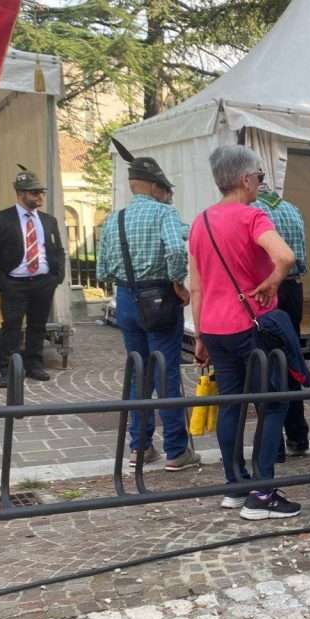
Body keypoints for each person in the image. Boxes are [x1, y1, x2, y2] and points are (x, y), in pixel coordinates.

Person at [188, 144, 300, 521]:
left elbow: (196, 286)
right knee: (273, 404)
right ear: (245, 179)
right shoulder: (253, 217)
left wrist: (200, 336)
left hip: (214, 327)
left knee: (231, 404)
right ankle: (262, 492)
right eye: (259, 176)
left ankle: (235, 486)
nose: (261, 182)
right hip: (250, 325)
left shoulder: (201, 221)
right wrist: (274, 280)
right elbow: (286, 256)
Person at [96, 149, 198, 471]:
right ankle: (176, 450)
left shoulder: (115, 219)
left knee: (138, 370)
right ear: (155, 186)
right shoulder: (164, 214)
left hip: (126, 300)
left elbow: (102, 268)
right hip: (160, 298)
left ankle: (139, 447)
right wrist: (178, 283)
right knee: (166, 371)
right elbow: (176, 250)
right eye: (165, 190)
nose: (167, 196)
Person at [0, 167, 66, 387]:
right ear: (20, 194)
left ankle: (34, 365)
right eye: (34, 192)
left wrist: (57, 276)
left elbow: (58, 249)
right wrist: (1, 280)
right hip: (14, 283)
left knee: (38, 325)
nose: (40, 197)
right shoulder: (0, 219)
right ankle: (8, 370)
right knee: (12, 327)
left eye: (41, 192)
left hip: (43, 281)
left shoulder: (49, 220)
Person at [254, 182, 310, 458]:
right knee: (292, 359)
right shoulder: (292, 209)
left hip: (266, 289)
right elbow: (302, 258)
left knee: (265, 365)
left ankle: (272, 443)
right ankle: (298, 435)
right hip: (293, 289)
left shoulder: (252, 211)